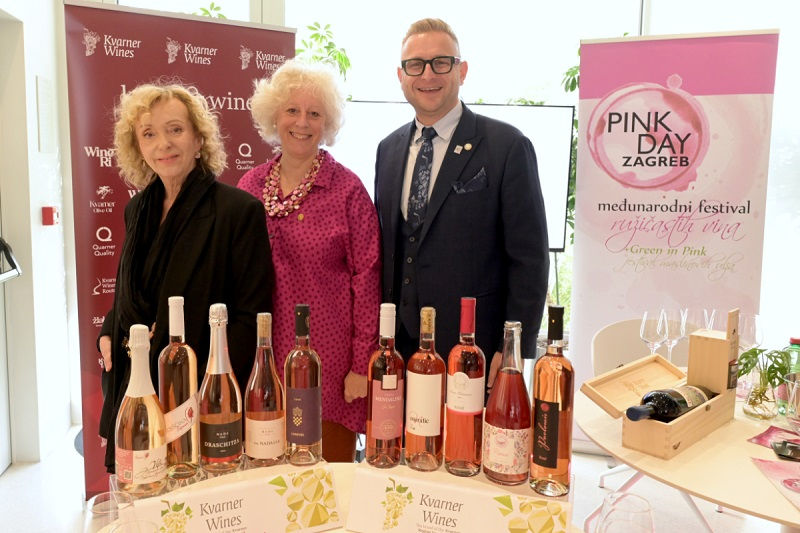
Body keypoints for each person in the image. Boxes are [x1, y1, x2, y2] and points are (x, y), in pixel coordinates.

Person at [98, 82, 274, 473]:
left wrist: (212, 395)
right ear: (138, 147)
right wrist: (109, 330)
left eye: (175, 129)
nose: (163, 143)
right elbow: (133, 289)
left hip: (197, 400)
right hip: (135, 389)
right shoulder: (136, 210)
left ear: (198, 139)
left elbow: (250, 319)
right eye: (149, 134)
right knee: (142, 495)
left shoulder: (238, 211)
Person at [374, 18, 549, 387]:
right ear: (401, 76)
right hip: (399, 350)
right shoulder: (387, 149)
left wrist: (512, 346)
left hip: (474, 349)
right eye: (415, 65)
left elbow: (530, 258)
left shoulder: (507, 146)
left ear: (462, 70)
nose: (428, 75)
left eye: (441, 62)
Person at [237, 59, 381, 462]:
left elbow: (368, 280)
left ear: (327, 123)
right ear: (274, 116)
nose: (302, 122)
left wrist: (361, 366)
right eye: (292, 110)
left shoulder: (348, 190)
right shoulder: (249, 187)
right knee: (267, 472)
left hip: (329, 364)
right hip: (262, 360)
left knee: (327, 477)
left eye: (315, 113)